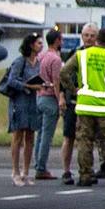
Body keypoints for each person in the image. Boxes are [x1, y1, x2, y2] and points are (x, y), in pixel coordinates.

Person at [67, 24, 105, 187]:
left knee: (85, 141)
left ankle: (86, 175)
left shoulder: (81, 55)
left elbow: (64, 72)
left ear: (97, 40)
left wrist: (74, 90)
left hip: (85, 104)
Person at [0, 34, 43, 186]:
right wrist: (29, 86)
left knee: (30, 136)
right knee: (18, 136)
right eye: (38, 43)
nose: (41, 46)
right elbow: (12, 80)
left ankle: (26, 172)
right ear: (31, 45)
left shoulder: (38, 62)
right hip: (19, 102)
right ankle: (15, 171)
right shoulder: (20, 61)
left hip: (32, 102)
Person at [31, 28, 64, 181]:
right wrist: (60, 100)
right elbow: (56, 81)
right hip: (50, 98)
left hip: (39, 97)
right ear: (57, 41)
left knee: (40, 134)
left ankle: (37, 163)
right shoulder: (55, 59)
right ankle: (41, 167)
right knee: (47, 136)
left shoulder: (40, 56)